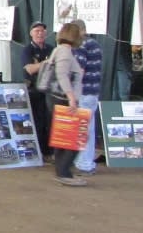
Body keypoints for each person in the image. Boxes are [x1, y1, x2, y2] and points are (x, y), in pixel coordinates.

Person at [48, 22, 86, 186]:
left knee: (62, 136)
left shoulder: (59, 50)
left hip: (57, 97)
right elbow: (62, 75)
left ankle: (62, 171)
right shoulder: (65, 52)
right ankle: (64, 171)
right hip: (64, 99)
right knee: (76, 136)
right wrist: (71, 97)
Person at [71, 21, 103, 177]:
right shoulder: (94, 43)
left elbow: (80, 70)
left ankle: (84, 164)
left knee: (83, 129)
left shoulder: (81, 45)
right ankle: (83, 162)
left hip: (83, 92)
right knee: (88, 127)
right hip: (93, 91)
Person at [21, 22, 54, 157]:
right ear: (31, 33)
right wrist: (47, 62)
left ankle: (48, 151)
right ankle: (37, 151)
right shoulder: (27, 50)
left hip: (49, 90)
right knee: (36, 121)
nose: (40, 33)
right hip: (33, 91)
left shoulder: (51, 49)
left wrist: (39, 65)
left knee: (49, 121)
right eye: (37, 31)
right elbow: (30, 69)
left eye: (42, 31)